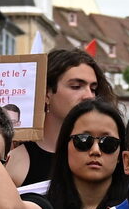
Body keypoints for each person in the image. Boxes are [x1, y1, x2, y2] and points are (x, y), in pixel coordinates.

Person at [8, 48, 114, 189]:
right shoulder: (16, 163)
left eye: (93, 88)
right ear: (46, 93)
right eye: (76, 86)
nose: (89, 96)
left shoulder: (106, 155)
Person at [39, 97, 129, 209]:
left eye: (108, 143)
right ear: (65, 147)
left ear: (121, 154)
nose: (95, 150)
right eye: (83, 140)